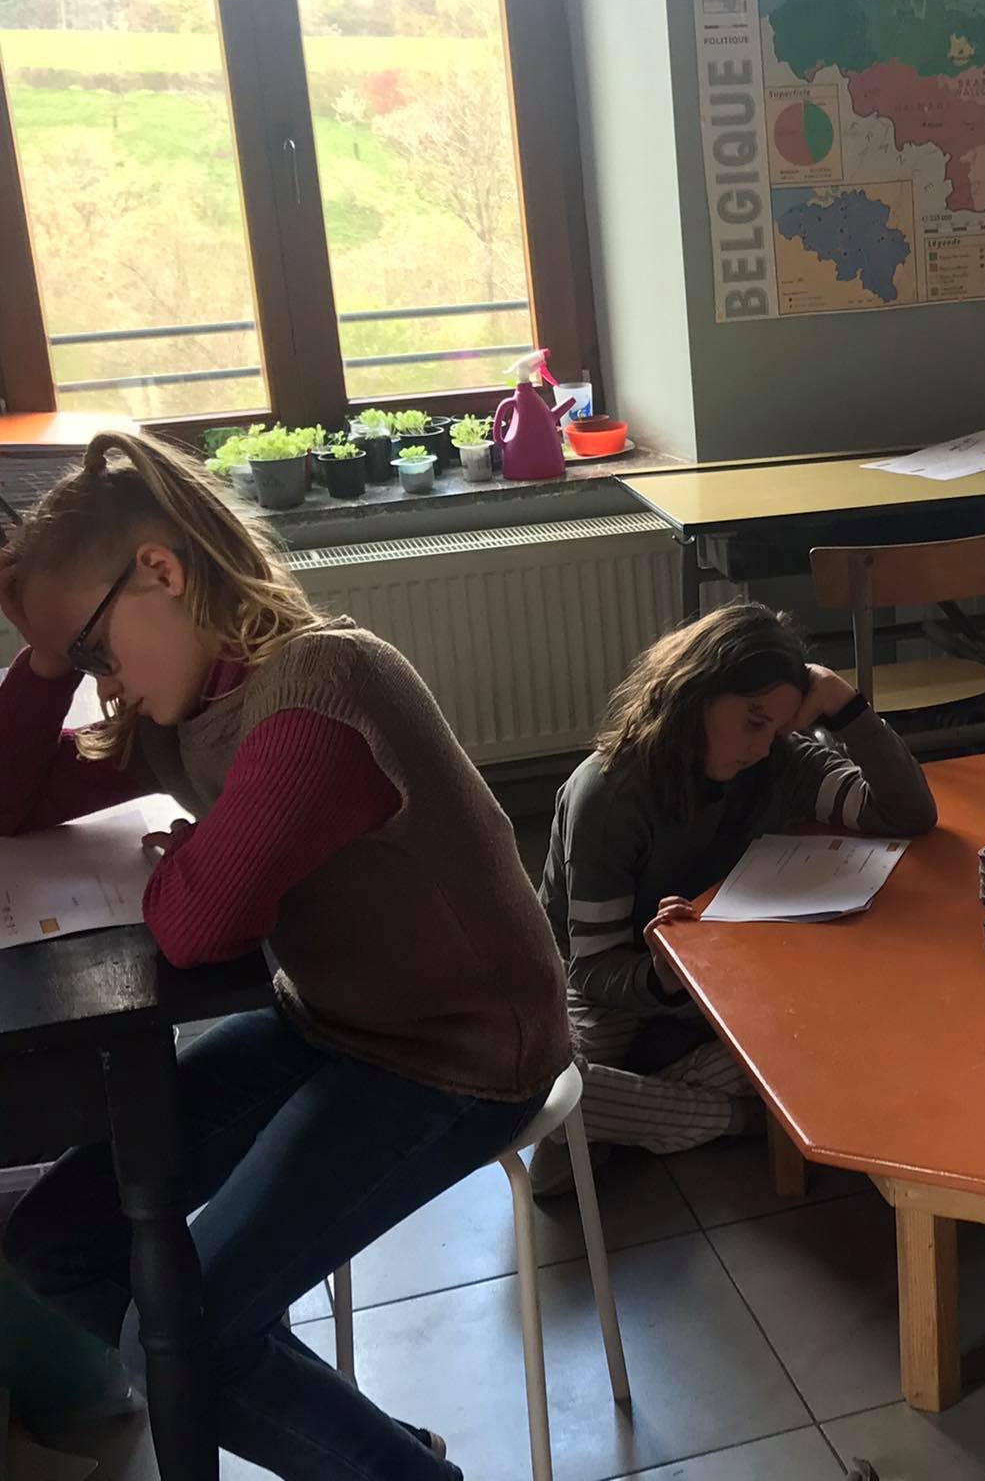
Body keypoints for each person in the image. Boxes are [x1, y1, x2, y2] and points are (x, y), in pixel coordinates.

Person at [0, 432, 569, 1478]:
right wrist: (42, 657)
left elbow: (197, 925)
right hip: (333, 1021)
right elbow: (10, 802)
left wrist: (191, 861)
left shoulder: (319, 687)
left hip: (462, 1053)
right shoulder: (185, 702)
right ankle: (368, 1448)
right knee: (56, 1246)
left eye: (92, 652)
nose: (97, 683)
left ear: (161, 571)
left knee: (181, 1340)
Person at [532, 602, 936, 1190]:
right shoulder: (608, 794)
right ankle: (742, 1119)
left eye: (778, 728)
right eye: (752, 721)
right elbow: (591, 969)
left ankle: (623, 1113)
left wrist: (845, 703)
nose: (762, 746)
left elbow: (906, 813)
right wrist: (663, 975)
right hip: (612, 987)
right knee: (546, 1091)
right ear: (694, 694)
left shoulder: (778, 763)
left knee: (831, 1044)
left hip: (724, 979)